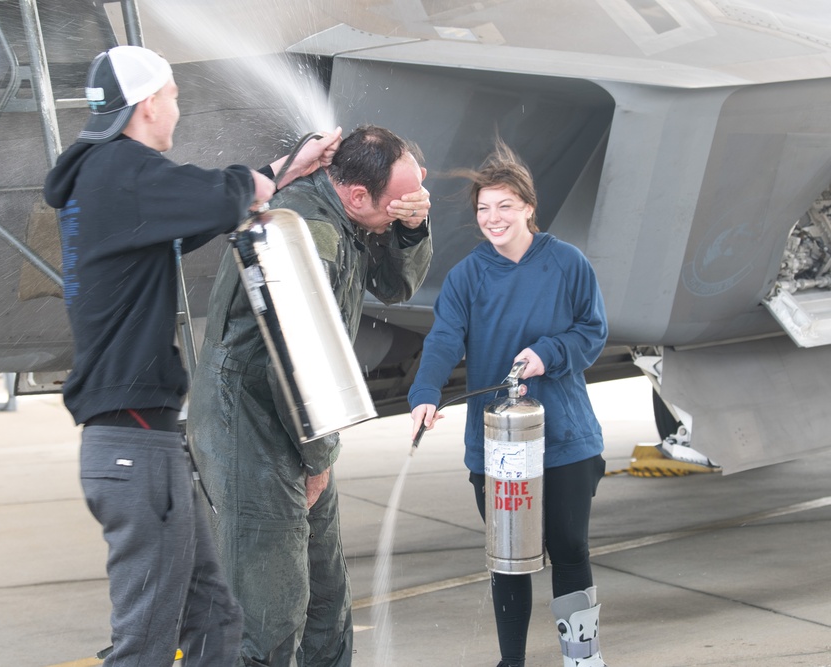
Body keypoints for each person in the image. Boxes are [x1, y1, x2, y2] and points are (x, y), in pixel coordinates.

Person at [42, 45, 341, 667]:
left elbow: (200, 214)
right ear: (148, 103)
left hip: (140, 442)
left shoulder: (109, 184)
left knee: (213, 616)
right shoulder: (118, 171)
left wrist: (282, 170)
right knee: (146, 642)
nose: (178, 107)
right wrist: (260, 183)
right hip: (133, 445)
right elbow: (220, 194)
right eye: (173, 95)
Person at [186, 125, 433, 666]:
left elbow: (396, 286)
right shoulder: (305, 235)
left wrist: (412, 227)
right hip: (250, 431)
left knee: (326, 600)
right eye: (399, 202)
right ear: (356, 194)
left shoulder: (344, 215)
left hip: (298, 429)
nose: (406, 207)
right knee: (271, 615)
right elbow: (295, 370)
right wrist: (317, 459)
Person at [407, 139, 609, 667]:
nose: (493, 219)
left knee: (569, 551)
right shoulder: (467, 276)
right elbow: (445, 339)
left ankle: (581, 657)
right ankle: (511, 662)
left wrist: (548, 353)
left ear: (528, 208)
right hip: (497, 447)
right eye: (484, 209)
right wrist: (425, 394)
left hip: (565, 437)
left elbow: (593, 331)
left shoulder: (567, 264)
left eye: (504, 207)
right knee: (509, 559)